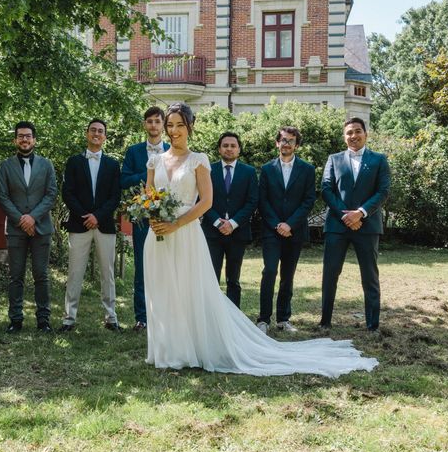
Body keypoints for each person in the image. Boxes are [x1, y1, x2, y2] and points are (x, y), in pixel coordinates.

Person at [143, 103, 377, 376]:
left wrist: (176, 224)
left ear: (190, 127)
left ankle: (189, 348)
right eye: (170, 125)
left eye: (180, 125)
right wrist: (153, 218)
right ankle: (166, 348)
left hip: (185, 234)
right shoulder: (155, 160)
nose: (174, 131)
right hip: (157, 235)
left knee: (189, 290)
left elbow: (206, 202)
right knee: (162, 289)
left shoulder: (199, 160)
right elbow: (150, 196)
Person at [320, 117, 391, 332]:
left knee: (369, 276)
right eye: (349, 132)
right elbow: (326, 189)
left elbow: (383, 191)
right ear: (344, 137)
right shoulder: (334, 159)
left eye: (357, 131)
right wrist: (346, 216)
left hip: (367, 226)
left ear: (366, 134)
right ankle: (325, 321)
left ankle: (372, 325)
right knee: (330, 274)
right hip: (337, 226)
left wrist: (360, 213)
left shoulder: (379, 160)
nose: (353, 136)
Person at [60, 119, 122, 332]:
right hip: (79, 224)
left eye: (101, 131)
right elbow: (67, 192)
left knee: (108, 273)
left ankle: (111, 317)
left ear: (105, 136)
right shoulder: (74, 162)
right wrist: (85, 215)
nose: (97, 134)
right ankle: (69, 318)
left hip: (104, 225)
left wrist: (97, 216)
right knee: (75, 272)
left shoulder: (113, 165)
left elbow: (115, 197)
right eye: (93, 130)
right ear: (87, 134)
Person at [0, 121, 58, 334]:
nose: (25, 139)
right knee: (16, 276)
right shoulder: (5, 166)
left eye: (28, 136)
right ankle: (15, 320)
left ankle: (44, 320)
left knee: (41, 275)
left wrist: (32, 217)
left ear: (34, 139)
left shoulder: (46, 165)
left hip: (41, 228)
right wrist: (21, 220)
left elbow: (51, 194)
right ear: (15, 140)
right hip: (15, 229)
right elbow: (2, 196)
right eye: (21, 136)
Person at [257, 127, 316, 334]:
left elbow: (309, 200)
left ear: (296, 145)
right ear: (277, 143)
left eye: (291, 141)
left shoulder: (308, 170)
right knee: (270, 270)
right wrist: (277, 224)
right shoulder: (266, 169)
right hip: (271, 231)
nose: (286, 144)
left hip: (295, 231)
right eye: (283, 140)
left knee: (287, 276)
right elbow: (262, 201)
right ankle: (263, 319)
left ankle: (283, 319)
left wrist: (290, 224)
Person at [121, 106, 170, 331]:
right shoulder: (134, 152)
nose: (153, 125)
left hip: (168, 217)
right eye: (149, 121)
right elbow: (124, 180)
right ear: (145, 124)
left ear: (163, 125)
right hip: (141, 216)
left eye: (157, 121)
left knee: (166, 266)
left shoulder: (173, 150)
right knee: (142, 266)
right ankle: (142, 317)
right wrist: (150, 171)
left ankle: (165, 315)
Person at [201, 132, 258, 308]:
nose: (229, 149)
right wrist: (218, 222)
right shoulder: (207, 170)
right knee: (211, 278)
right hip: (212, 232)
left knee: (234, 279)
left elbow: (252, 201)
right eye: (225, 145)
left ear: (239, 150)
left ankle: (233, 318)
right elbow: (201, 199)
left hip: (237, 233)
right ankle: (212, 315)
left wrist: (232, 223)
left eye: (233, 146)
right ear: (219, 149)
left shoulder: (249, 172)